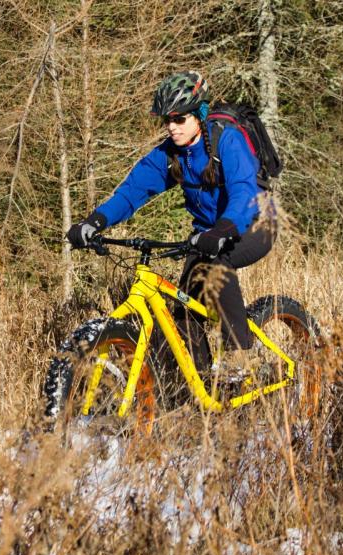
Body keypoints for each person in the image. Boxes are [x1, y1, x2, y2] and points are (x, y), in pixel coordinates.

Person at [67, 70, 275, 370]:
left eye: (179, 119)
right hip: (208, 233)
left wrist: (224, 229)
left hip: (254, 224)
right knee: (183, 317)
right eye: (167, 120)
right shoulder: (170, 154)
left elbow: (244, 192)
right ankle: (202, 391)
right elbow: (131, 192)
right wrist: (95, 222)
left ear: (199, 115)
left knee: (217, 265)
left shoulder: (226, 142)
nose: (172, 127)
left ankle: (241, 355)